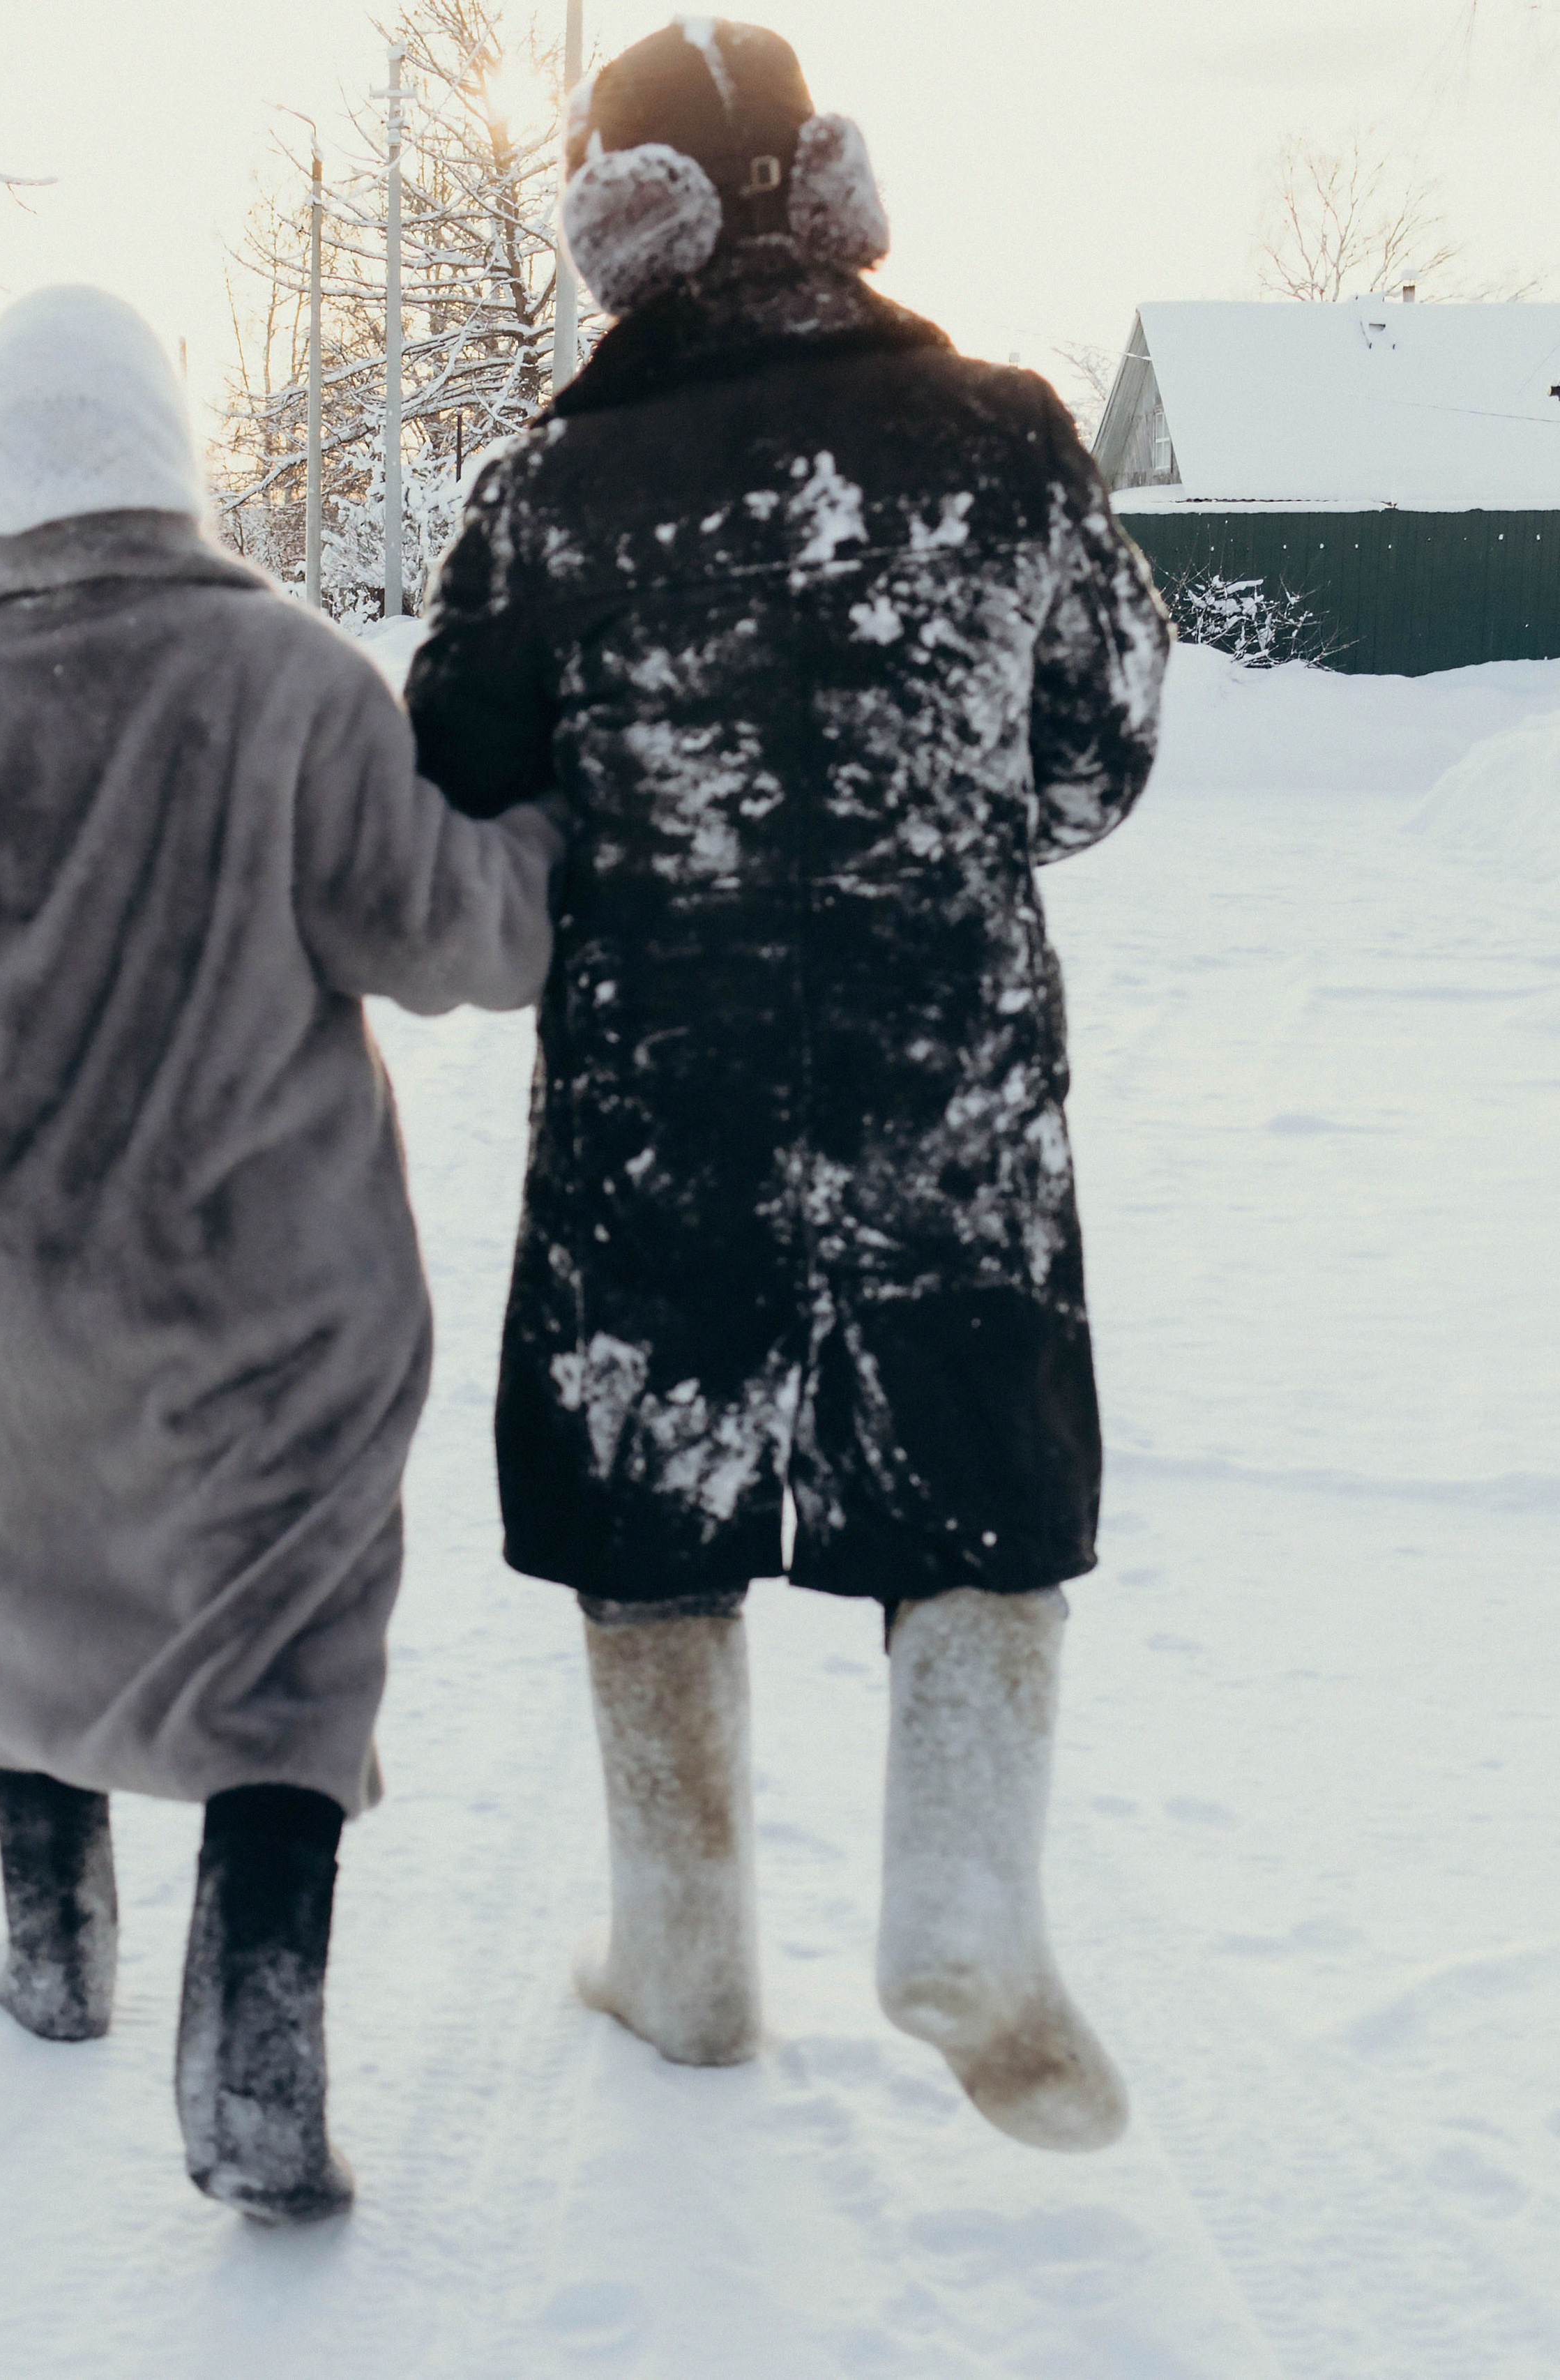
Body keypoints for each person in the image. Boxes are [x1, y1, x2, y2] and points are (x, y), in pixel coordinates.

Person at [405, 19, 1170, 2151]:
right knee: (980, 1468)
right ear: (835, 193)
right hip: (955, 1074)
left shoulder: (552, 490)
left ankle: (685, 1954)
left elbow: (453, 768)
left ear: (617, 225)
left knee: (650, 1501)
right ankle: (964, 1905)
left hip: (665, 1083)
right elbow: (1097, 758)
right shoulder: (1012, 435)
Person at [0, 286, 563, 2223]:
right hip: (273, 1306)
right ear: (164, 461)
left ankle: (51, 1955)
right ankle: (256, 2070)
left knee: (31, 1590)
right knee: (284, 1659)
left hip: (10, 1313)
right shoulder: (286, 682)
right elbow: (460, 934)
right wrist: (555, 826)